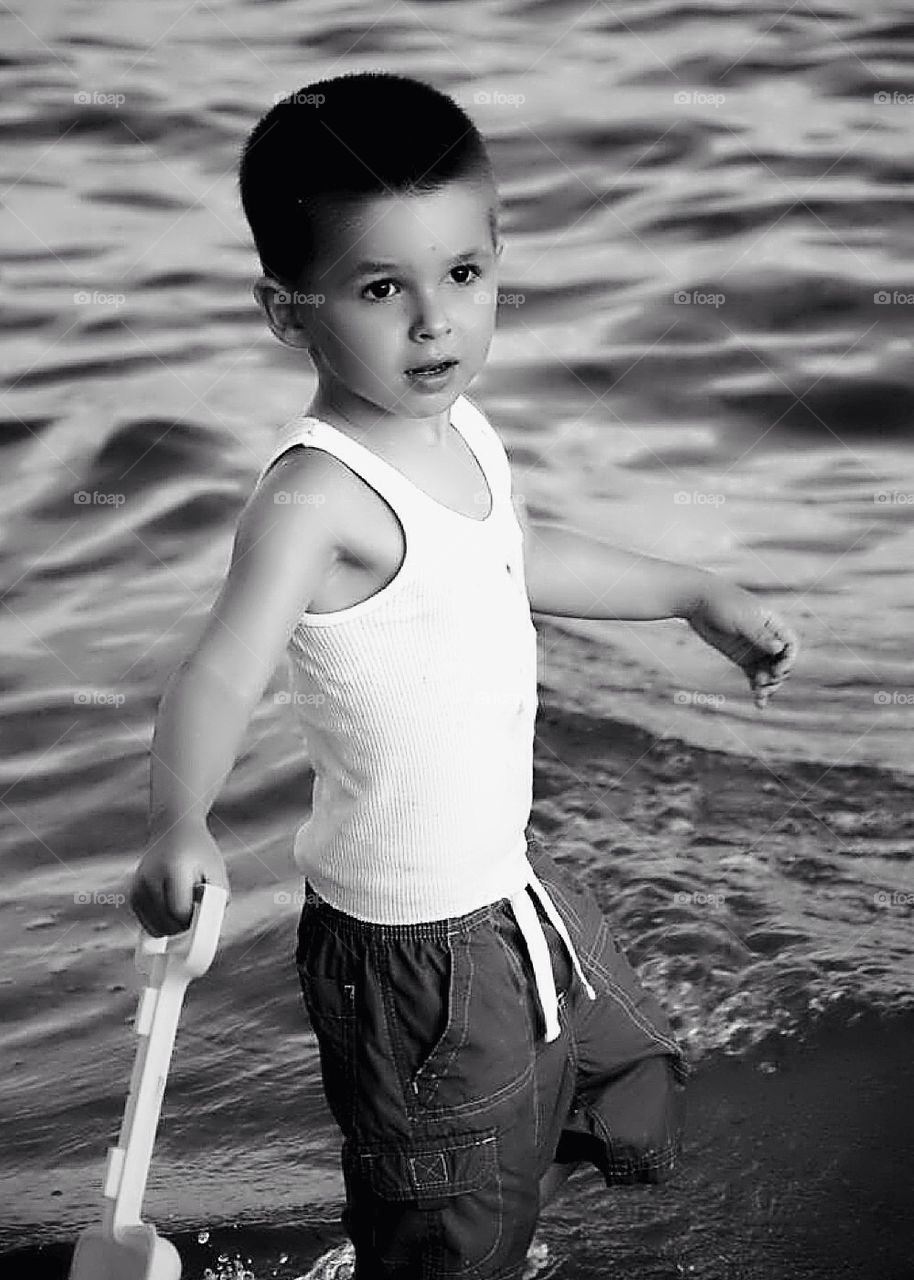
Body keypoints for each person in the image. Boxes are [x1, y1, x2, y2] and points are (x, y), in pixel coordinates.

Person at [129, 71, 799, 1279]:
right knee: (454, 1219)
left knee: (635, 1073)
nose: (435, 322)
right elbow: (219, 670)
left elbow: (514, 555)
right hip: (415, 957)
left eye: (463, 276)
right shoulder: (315, 498)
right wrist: (180, 818)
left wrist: (692, 591)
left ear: (496, 259)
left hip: (509, 892)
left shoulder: (457, 428)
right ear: (289, 312)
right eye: (384, 288)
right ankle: (441, 1233)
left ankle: (480, 1202)